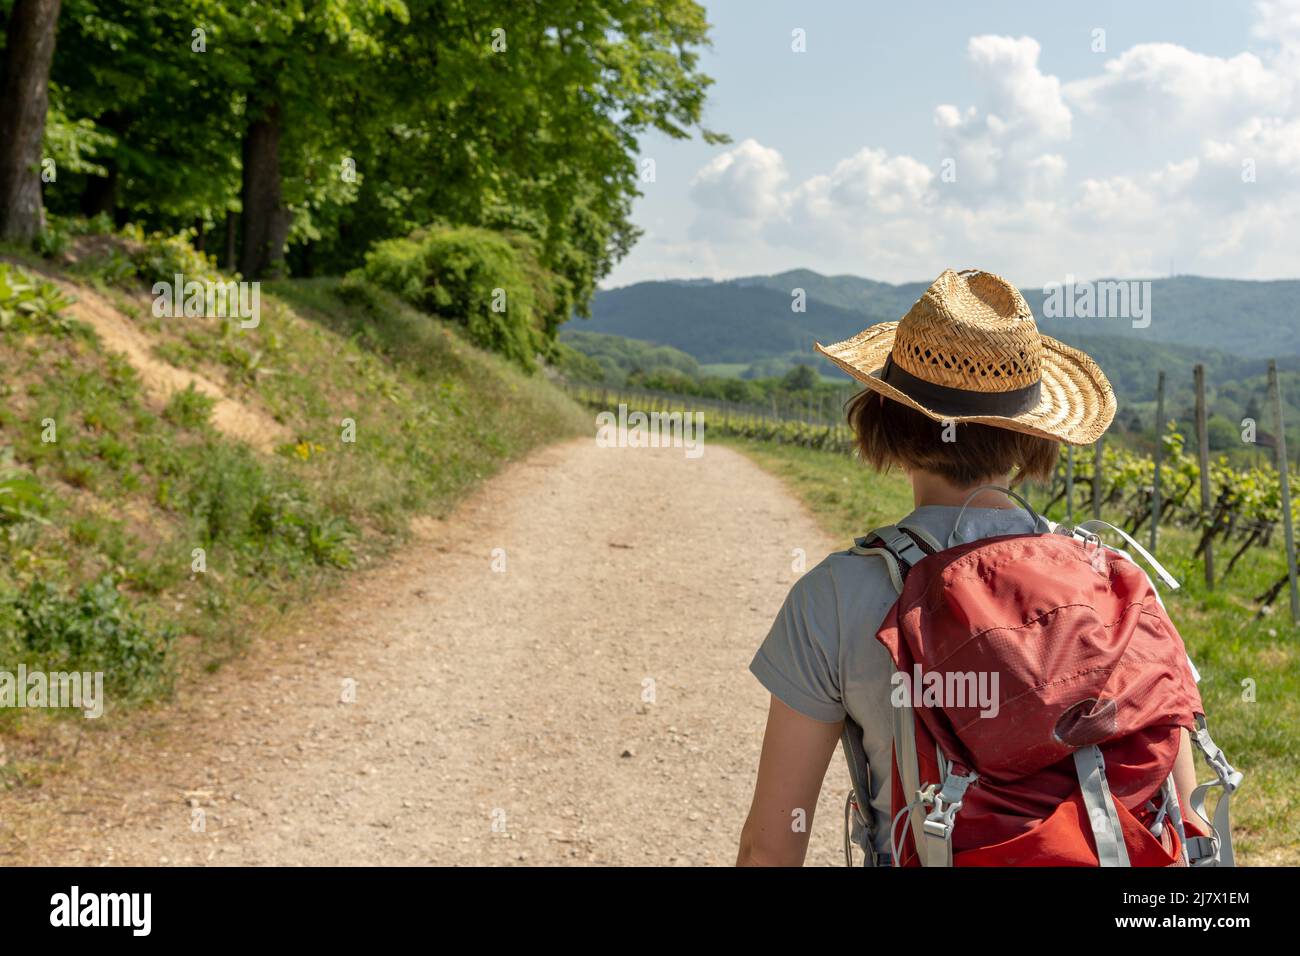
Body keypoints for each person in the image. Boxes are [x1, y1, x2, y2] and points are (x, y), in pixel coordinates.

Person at [735, 268, 1204, 867]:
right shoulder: (1118, 584)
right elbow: (1193, 826)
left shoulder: (835, 594)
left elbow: (772, 844)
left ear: (886, 420)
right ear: (1034, 436)